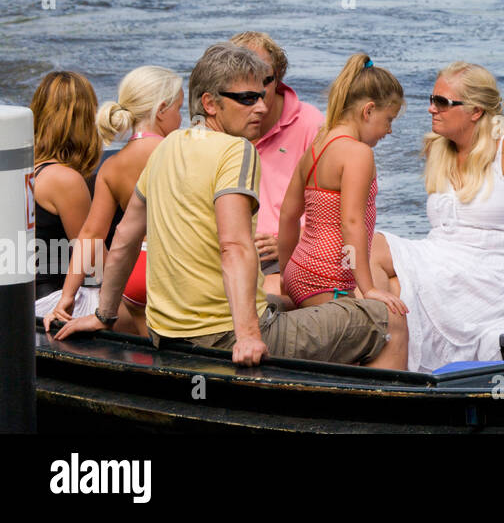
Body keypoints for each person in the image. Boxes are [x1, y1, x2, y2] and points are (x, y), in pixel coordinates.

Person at [55, 43, 408, 369]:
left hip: (169, 334)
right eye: (247, 98)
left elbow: (125, 239)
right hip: (221, 336)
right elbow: (235, 247)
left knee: (281, 301)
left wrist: (103, 315)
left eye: (262, 95)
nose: (262, 106)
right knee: (389, 319)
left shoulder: (167, 146)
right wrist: (249, 336)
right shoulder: (236, 151)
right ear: (210, 103)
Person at [369, 62, 504, 372]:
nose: (430, 109)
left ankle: (390, 380)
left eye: (442, 102)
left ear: (476, 111)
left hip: (497, 275)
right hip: (444, 260)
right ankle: (386, 373)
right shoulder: (441, 149)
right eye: (431, 98)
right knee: (367, 250)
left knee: (387, 272)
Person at [42, 66, 184, 337]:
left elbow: (91, 234)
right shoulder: (177, 151)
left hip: (131, 275)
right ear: (162, 109)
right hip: (170, 267)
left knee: (146, 348)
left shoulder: (112, 166)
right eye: (179, 108)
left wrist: (67, 297)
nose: (180, 118)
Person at [279, 54, 407, 319]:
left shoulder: (318, 146)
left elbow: (288, 215)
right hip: (327, 280)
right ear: (368, 110)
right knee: (392, 325)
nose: (389, 130)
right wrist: (368, 288)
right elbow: (351, 222)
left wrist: (285, 273)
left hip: (301, 270)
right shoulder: (357, 153)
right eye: (389, 120)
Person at [229, 31, 325, 298]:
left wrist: (285, 240)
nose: (257, 90)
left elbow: (335, 209)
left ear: (278, 78)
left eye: (265, 79)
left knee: (268, 293)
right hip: (229, 248)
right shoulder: (220, 123)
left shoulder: (310, 123)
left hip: (291, 251)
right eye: (245, 79)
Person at [28, 72, 99, 320]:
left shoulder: (24, 168)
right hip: (50, 300)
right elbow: (95, 261)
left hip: (21, 296)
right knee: (137, 309)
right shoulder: (64, 180)